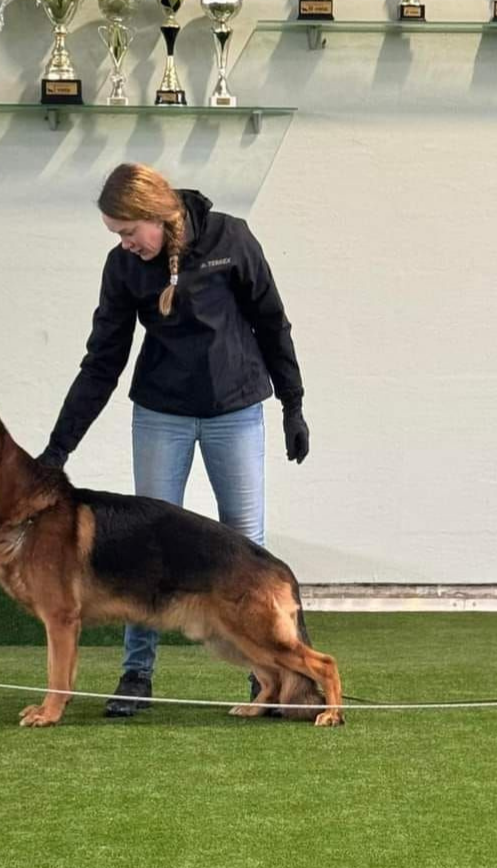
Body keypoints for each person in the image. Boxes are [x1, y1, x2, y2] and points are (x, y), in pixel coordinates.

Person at [37, 162, 309, 717]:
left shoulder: (231, 239)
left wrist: (292, 403)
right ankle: (137, 674)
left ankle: (274, 678)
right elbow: (102, 361)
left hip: (235, 410)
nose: (125, 244)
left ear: (157, 215)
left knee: (245, 540)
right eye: (116, 235)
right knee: (145, 549)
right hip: (161, 413)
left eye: (128, 231)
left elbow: (272, 322)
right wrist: (58, 449)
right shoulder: (123, 269)